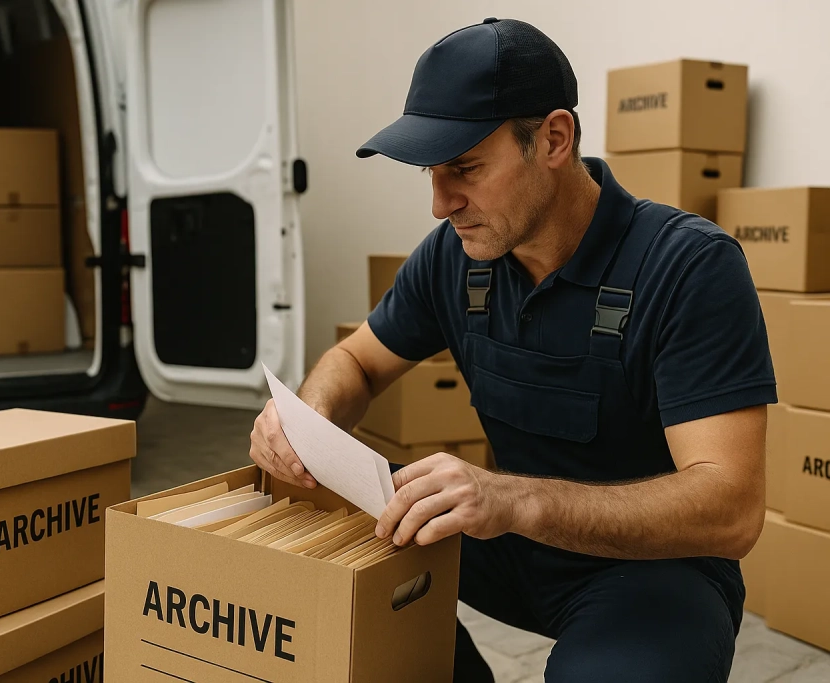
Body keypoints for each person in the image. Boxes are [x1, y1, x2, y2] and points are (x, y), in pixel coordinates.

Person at [249, 17, 774, 683]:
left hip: (655, 569)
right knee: (317, 548)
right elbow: (355, 361)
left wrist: (517, 500)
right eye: (432, 172)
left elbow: (732, 508)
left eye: (465, 168)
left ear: (553, 138)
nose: (441, 203)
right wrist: (307, 421)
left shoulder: (688, 266)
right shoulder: (455, 257)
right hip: (509, 543)